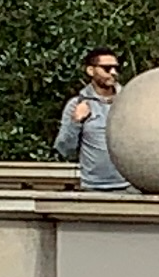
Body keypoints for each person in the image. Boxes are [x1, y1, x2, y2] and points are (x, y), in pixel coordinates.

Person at [52, 50, 130, 192]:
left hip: (130, 186)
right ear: (90, 70)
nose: (113, 72)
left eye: (116, 68)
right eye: (107, 68)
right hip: (93, 187)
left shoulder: (131, 101)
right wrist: (76, 121)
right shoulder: (77, 104)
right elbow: (65, 149)